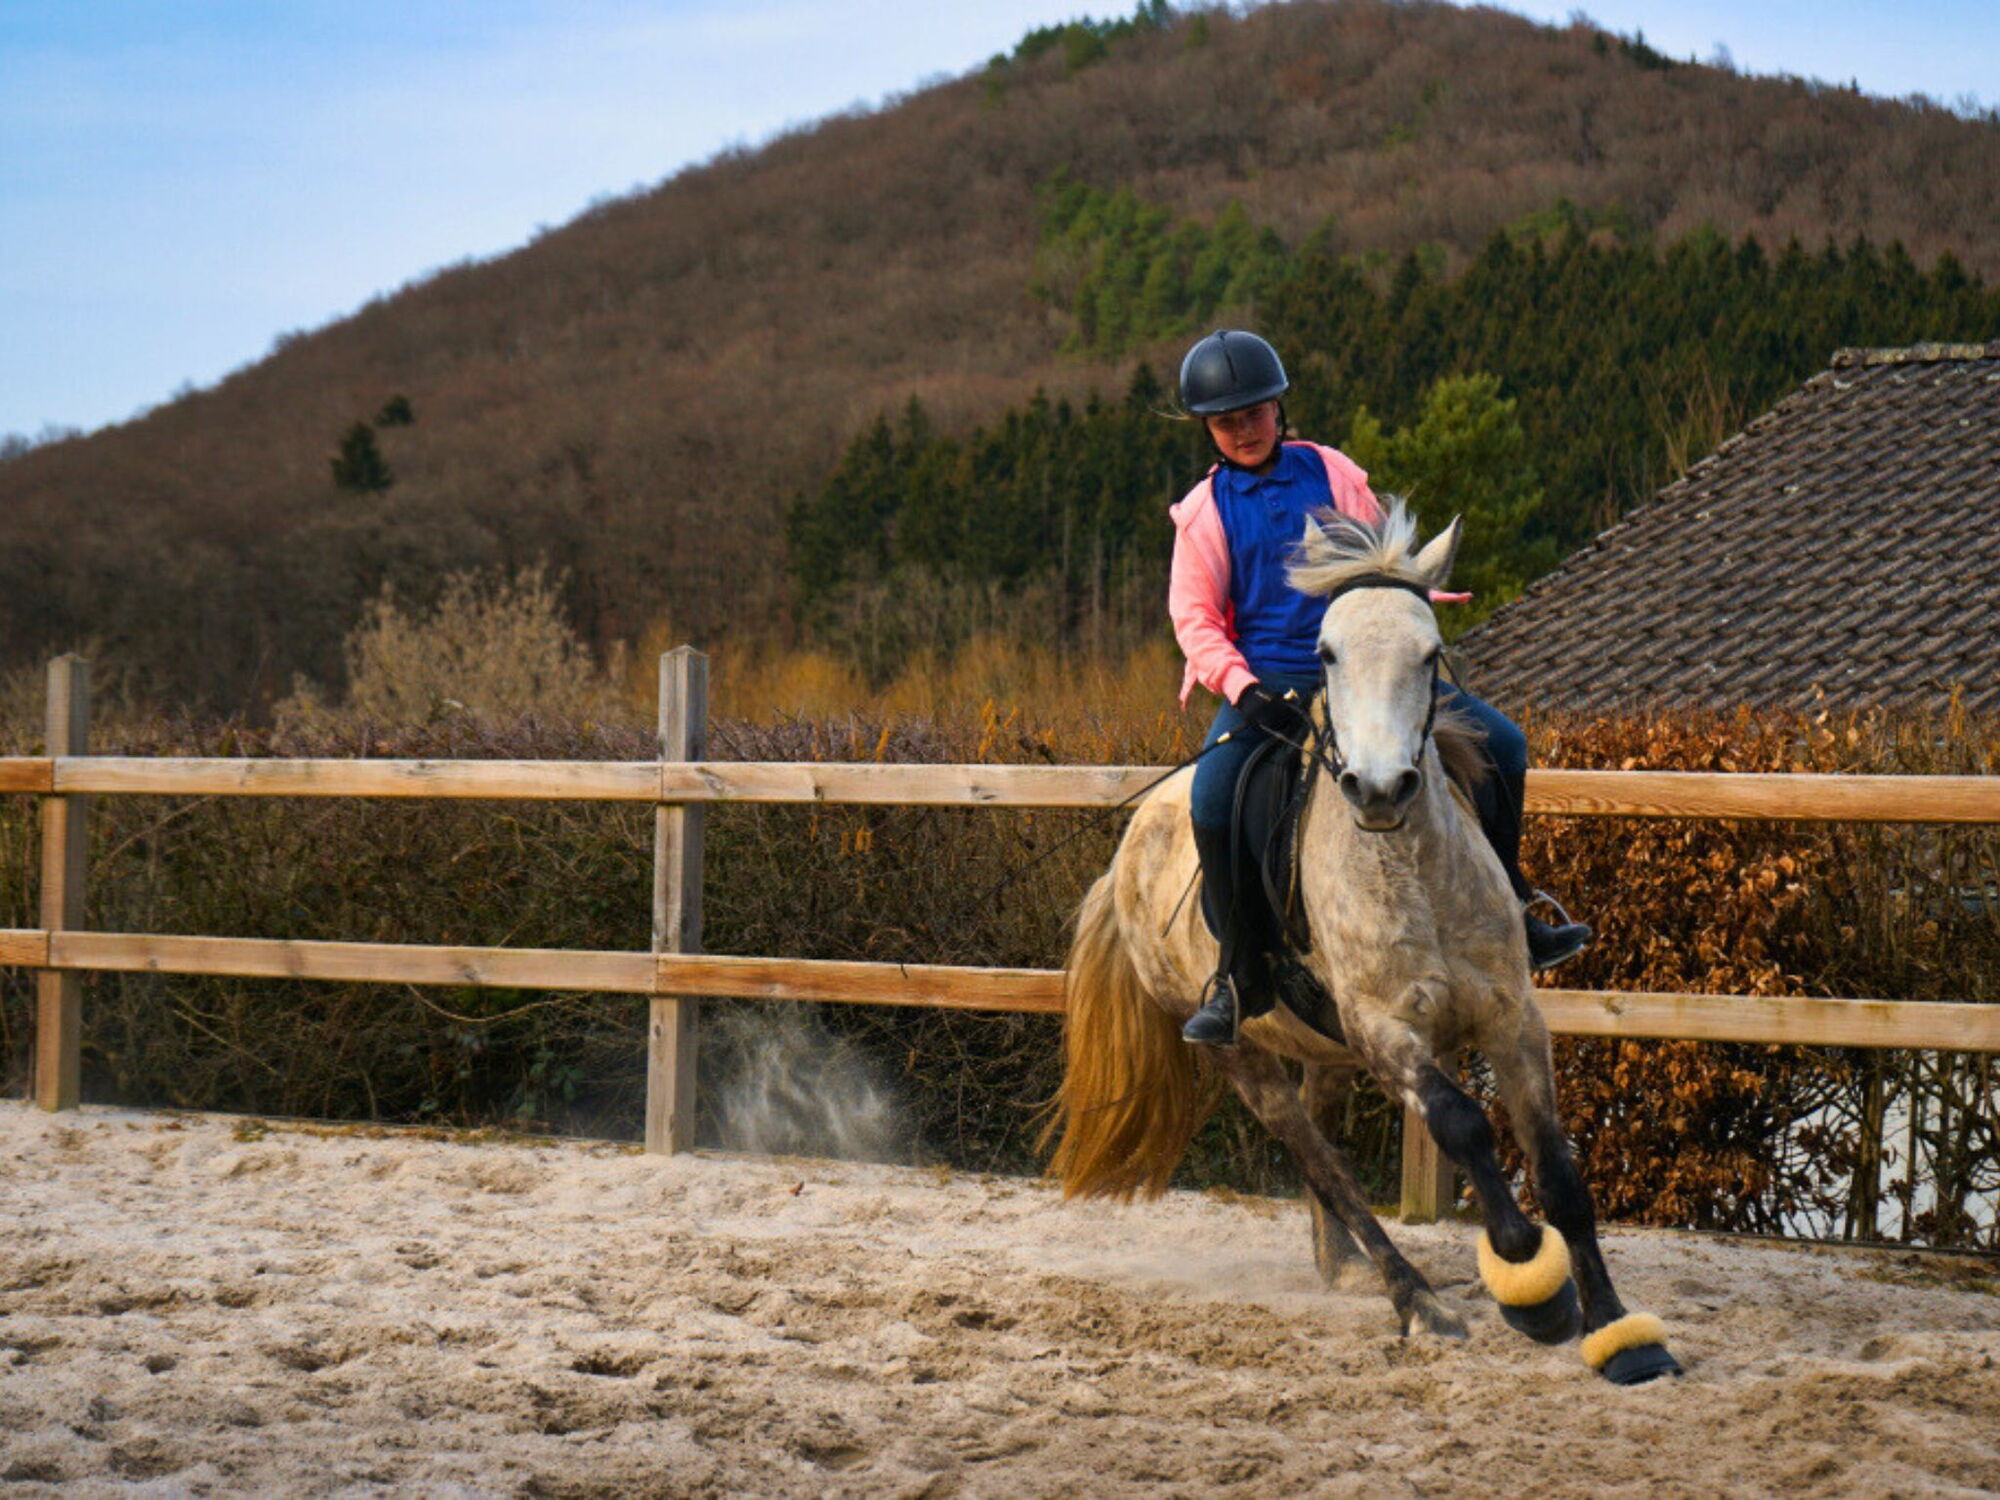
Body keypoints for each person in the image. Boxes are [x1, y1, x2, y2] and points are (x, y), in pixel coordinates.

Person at [1168, 329, 1589, 1047]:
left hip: (1369, 670)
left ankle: (1516, 910)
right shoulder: (1204, 513)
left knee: (1507, 747)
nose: (1243, 430)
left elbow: (1384, 565)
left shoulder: (1332, 472)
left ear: (1278, 409)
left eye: (1254, 414)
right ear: (1209, 429)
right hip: (1270, 685)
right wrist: (1241, 690)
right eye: (1226, 421)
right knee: (1212, 799)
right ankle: (1240, 975)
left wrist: (1419, 601)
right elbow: (1194, 618)